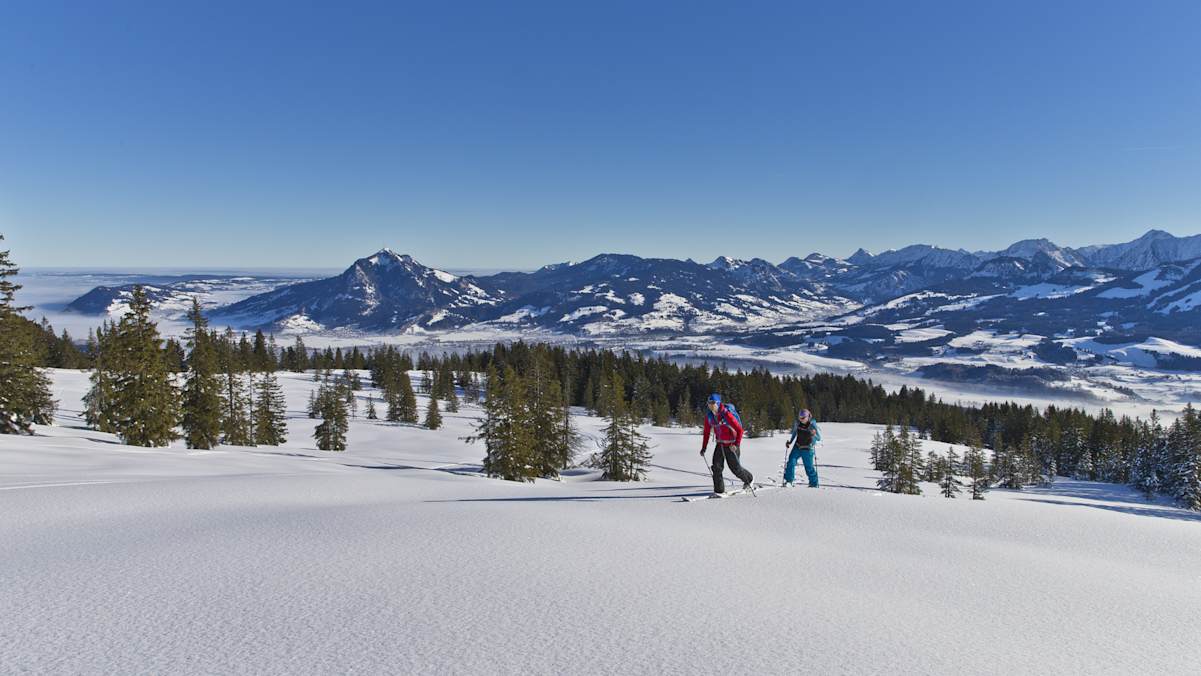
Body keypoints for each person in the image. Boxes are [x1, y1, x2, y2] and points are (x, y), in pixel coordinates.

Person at [701, 393, 753, 494]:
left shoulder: (726, 414)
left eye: (713, 403)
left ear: (718, 403)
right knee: (716, 467)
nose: (711, 405)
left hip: (732, 444)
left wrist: (736, 445)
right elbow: (706, 432)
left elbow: (740, 430)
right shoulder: (709, 416)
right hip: (720, 443)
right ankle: (719, 491)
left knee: (735, 468)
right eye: (709, 403)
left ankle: (749, 479)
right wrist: (704, 447)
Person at [784, 408, 821, 487]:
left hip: (807, 449)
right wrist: (790, 442)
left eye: (803, 417)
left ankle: (814, 483)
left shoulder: (812, 424)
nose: (801, 419)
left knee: (809, 467)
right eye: (799, 417)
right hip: (797, 446)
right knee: (791, 462)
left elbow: (819, 438)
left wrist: (814, 434)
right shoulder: (797, 423)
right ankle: (789, 481)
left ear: (808, 417)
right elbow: (794, 433)